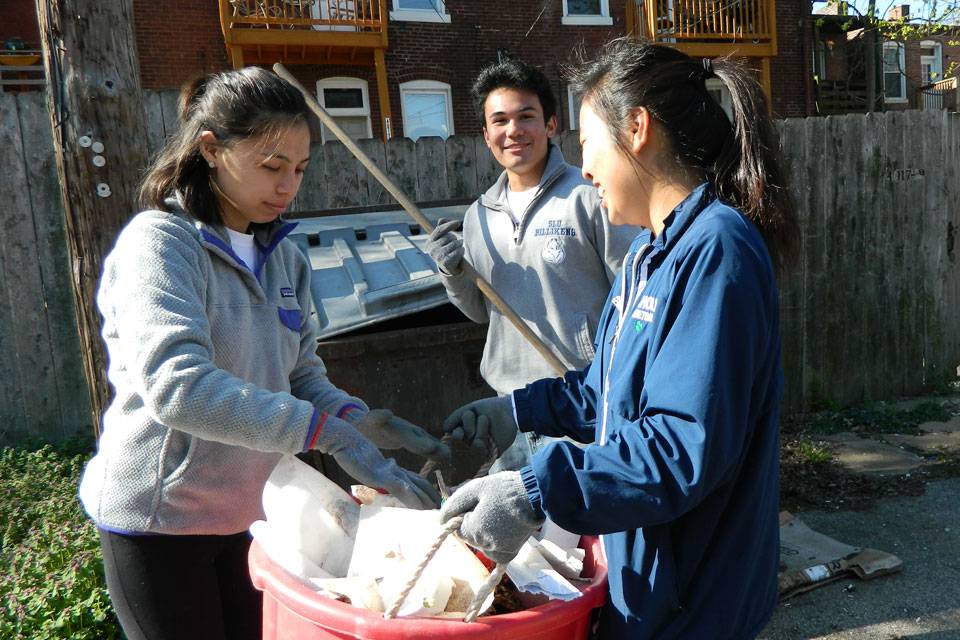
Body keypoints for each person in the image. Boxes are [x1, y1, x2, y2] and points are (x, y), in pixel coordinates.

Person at [439, 39, 800, 639]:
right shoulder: (648, 258)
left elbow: (680, 446)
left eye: (587, 144)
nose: (583, 169)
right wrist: (516, 410)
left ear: (636, 129)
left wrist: (537, 490)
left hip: (696, 593)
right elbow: (604, 392)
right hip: (648, 572)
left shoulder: (717, 251)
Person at [78, 67, 449, 640]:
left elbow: (299, 373)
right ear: (211, 150)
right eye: (272, 167)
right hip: (160, 520)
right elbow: (178, 388)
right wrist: (325, 432)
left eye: (299, 170)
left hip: (253, 514)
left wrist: (358, 420)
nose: (287, 187)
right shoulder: (161, 244)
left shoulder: (284, 257)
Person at [425, 57, 635, 471]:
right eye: (499, 121)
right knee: (520, 532)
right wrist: (451, 273)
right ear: (486, 136)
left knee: (582, 534)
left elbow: (632, 293)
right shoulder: (478, 217)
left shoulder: (589, 195)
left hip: (579, 403)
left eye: (526, 116)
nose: (513, 130)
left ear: (550, 124)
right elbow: (478, 313)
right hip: (509, 411)